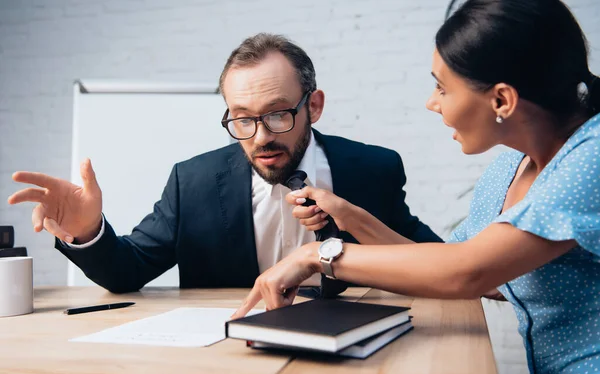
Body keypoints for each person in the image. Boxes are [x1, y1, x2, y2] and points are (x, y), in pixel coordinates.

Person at [232, 1, 600, 374]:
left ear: (502, 100)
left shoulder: (592, 159)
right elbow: (443, 266)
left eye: (443, 88)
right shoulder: (509, 169)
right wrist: (351, 216)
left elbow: (467, 274)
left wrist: (315, 255)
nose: (432, 102)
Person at [7, 33, 440, 294]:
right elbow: (126, 270)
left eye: (277, 114)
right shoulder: (191, 182)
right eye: (242, 119)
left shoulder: (374, 168)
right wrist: (87, 232)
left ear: (315, 106)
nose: (262, 136)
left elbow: (436, 263)